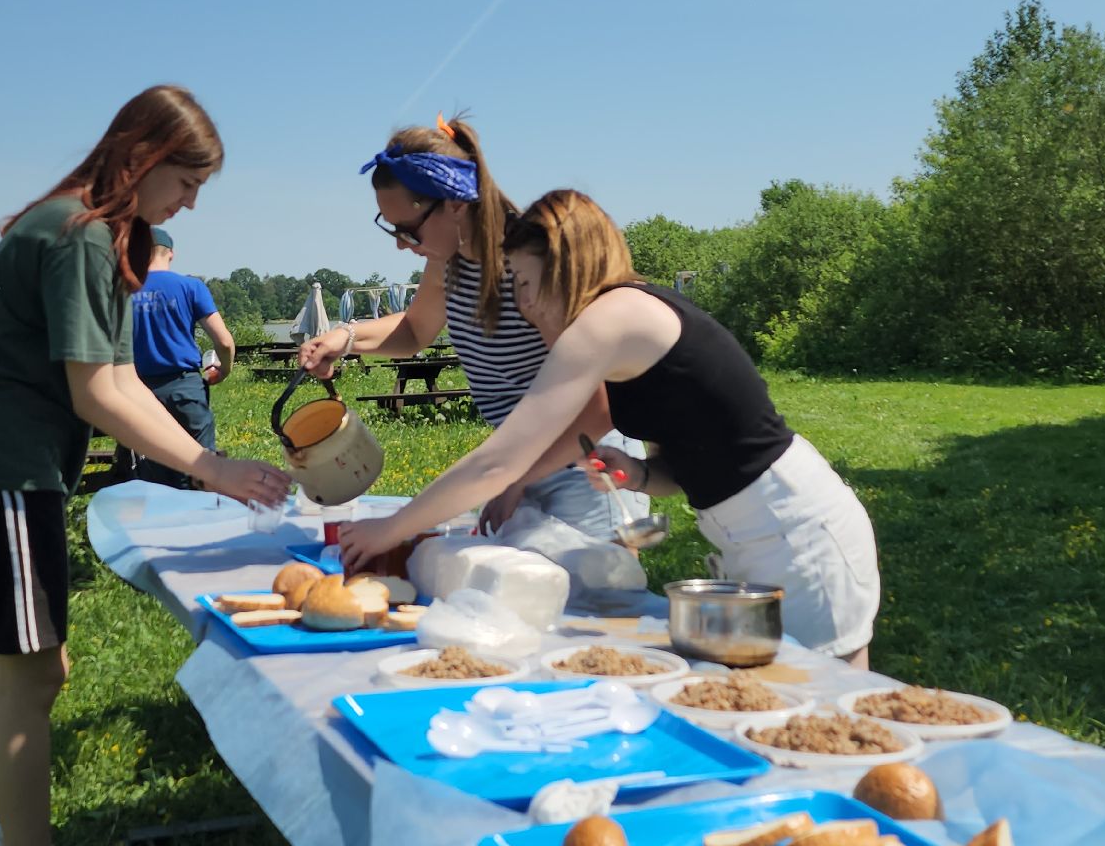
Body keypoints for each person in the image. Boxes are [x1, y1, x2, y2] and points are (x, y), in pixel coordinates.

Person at [0, 86, 290, 846]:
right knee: (37, 671)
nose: (191, 202)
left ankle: (4, 834)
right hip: (0, 473)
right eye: (189, 181)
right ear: (146, 159)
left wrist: (209, 460)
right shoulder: (83, 232)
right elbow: (98, 391)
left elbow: (120, 379)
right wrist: (211, 466)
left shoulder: (87, 228)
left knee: (9, 659)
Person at [340, 190, 881, 667]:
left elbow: (497, 460)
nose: (523, 306)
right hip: (753, 532)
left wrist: (391, 531)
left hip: (799, 533)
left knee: (829, 705)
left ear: (567, 267)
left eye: (525, 283)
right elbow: (693, 462)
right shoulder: (618, 324)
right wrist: (641, 475)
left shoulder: (608, 319)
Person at [297, 115, 623, 536]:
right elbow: (416, 331)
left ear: (453, 203)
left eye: (408, 229)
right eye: (391, 229)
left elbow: (599, 406)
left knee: (598, 595)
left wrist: (515, 477)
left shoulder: (528, 264)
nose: (401, 243)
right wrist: (347, 337)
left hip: (584, 461)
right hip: (518, 459)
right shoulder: (446, 261)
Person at [128, 227, 234, 488]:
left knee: (148, 470)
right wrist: (225, 370)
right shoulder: (190, 287)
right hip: (184, 390)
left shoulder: (122, 290)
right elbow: (224, 341)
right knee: (200, 468)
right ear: (171, 254)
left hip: (137, 391)